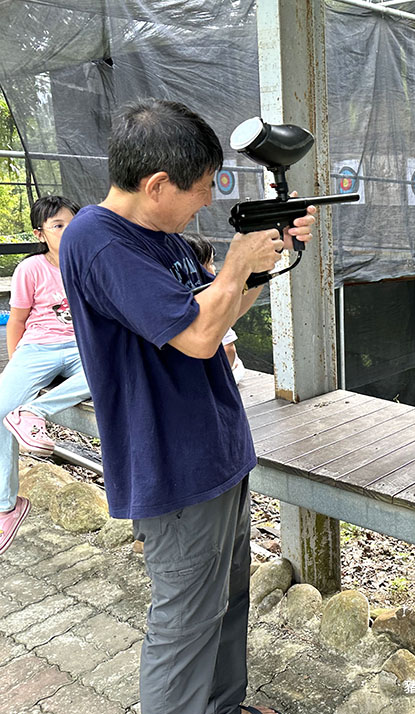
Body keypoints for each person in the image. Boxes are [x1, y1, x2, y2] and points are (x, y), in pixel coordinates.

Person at [60, 98, 315, 714]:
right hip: (172, 464)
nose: (207, 201)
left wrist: (260, 265)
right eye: (200, 189)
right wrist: (235, 263)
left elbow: (213, 318)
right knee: (183, 624)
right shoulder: (99, 243)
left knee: (226, 601)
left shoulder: (159, 236)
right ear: (156, 185)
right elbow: (200, 339)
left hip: (215, 449)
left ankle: (223, 707)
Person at [0, 195, 91, 556]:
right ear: (41, 233)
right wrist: (15, 366)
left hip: (83, 348)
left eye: (72, 223)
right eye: (57, 226)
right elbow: (18, 321)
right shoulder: (31, 269)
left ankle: (36, 412)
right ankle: (6, 505)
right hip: (38, 348)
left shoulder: (88, 263)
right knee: (0, 407)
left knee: (111, 374)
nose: (67, 231)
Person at [181, 232, 246, 384]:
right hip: (216, 375)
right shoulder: (210, 302)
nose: (214, 268)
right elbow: (228, 348)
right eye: (210, 263)